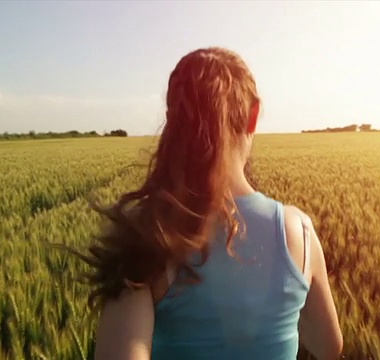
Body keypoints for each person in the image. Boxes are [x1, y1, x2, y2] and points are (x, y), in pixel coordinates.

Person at [81, 47, 343, 360]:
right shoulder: (298, 230)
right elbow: (329, 347)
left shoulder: (150, 234)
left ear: (172, 120)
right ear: (253, 115)